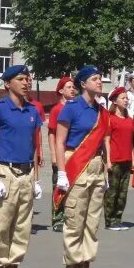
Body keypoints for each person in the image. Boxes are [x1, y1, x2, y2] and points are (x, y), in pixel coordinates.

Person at [0, 64, 42, 268]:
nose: (26, 82)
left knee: (21, 226)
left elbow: (35, 146)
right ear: (8, 84)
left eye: (28, 79)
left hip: (26, 172)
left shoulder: (32, 110)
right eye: (20, 79)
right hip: (5, 171)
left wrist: (36, 178)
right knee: (0, 224)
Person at [55, 65, 110, 268]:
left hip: (96, 166)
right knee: (75, 220)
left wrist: (105, 170)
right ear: (83, 83)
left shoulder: (102, 111)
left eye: (100, 78)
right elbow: (59, 141)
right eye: (95, 79)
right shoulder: (71, 108)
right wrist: (60, 172)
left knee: (92, 221)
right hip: (77, 164)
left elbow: (102, 143)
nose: (99, 82)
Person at [102, 86, 134, 231]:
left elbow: (131, 142)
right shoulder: (110, 119)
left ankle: (118, 218)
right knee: (112, 192)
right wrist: (108, 160)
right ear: (115, 101)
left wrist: (133, 159)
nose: (126, 100)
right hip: (114, 160)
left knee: (123, 193)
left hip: (126, 160)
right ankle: (109, 220)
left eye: (127, 98)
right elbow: (106, 140)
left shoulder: (129, 119)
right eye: (123, 98)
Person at [47, 76, 76, 232]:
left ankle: (69, 217)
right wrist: (53, 155)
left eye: (73, 87)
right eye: (69, 87)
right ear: (61, 91)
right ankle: (57, 218)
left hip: (74, 155)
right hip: (60, 154)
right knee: (59, 186)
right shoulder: (57, 110)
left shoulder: (75, 108)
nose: (72, 89)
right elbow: (52, 134)